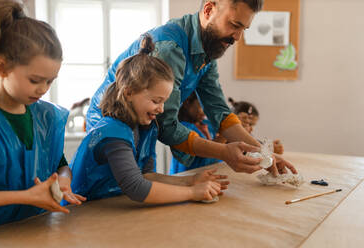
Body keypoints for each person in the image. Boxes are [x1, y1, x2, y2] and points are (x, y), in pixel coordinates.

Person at [86, 0, 296, 176]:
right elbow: (166, 125)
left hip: (143, 131)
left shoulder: (207, 49)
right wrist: (224, 152)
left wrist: (262, 153)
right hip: (111, 129)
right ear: (208, 10)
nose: (237, 37)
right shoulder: (169, 48)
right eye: (234, 25)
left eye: (243, 29)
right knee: (112, 201)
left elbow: (219, 111)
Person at [70, 35, 229, 204]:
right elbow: (136, 187)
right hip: (84, 212)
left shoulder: (147, 128)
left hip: (111, 208)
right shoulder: (112, 132)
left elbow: (146, 176)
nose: (161, 109)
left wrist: (190, 180)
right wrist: (191, 192)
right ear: (128, 93)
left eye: (164, 102)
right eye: (155, 101)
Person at [0, 0, 85, 228]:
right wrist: (26, 196)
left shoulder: (47, 117)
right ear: (2, 68)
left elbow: (60, 163)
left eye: (50, 81)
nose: (43, 89)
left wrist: (63, 180)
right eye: (34, 80)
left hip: (37, 230)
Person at [170, 92, 224, 174]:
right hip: (186, 179)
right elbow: (205, 159)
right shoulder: (181, 129)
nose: (206, 112)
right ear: (187, 103)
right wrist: (225, 135)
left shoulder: (207, 124)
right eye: (202, 106)